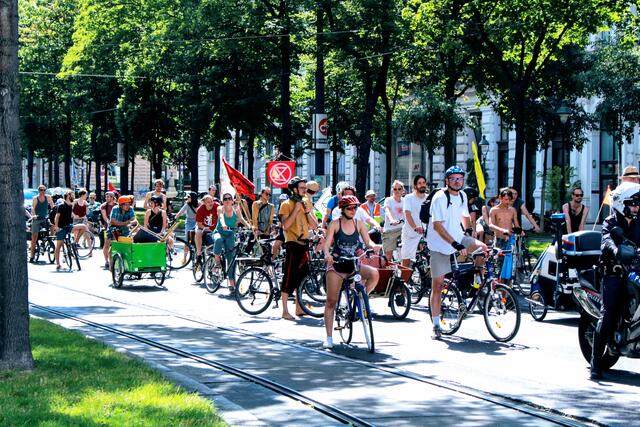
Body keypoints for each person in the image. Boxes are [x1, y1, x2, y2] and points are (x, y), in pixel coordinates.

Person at [427, 166, 486, 339]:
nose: (457, 181)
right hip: (439, 244)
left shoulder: (462, 195)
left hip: (458, 238)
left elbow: (464, 215)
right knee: (437, 285)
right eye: (453, 178)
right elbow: (437, 226)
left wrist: (469, 231)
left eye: (459, 178)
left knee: (483, 248)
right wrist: (455, 244)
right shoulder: (439, 198)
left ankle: (477, 284)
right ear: (447, 180)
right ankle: (436, 324)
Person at [591, 183, 640, 379]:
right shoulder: (610, 223)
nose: (637, 207)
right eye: (634, 203)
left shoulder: (638, 222)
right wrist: (615, 250)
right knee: (609, 313)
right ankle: (595, 363)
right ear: (621, 203)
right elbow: (606, 241)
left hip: (635, 272)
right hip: (615, 274)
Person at [322, 195, 383, 349]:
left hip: (353, 264)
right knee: (331, 302)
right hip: (337, 265)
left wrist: (374, 246)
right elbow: (327, 243)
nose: (353, 210)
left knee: (374, 274)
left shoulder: (359, 223)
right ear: (342, 209)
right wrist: (327, 255)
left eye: (355, 207)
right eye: (349, 208)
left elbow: (367, 241)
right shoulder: (335, 224)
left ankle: (361, 299)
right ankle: (329, 337)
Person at [279, 177, 316, 320]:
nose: (305, 190)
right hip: (293, 243)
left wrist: (306, 211)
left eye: (305, 188)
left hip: (304, 242)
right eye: (302, 188)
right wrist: (296, 209)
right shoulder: (286, 204)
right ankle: (284, 310)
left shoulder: (307, 202)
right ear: (294, 189)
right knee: (289, 276)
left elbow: (313, 225)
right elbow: (286, 226)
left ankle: (298, 307)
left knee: (302, 276)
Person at [213, 193, 251, 292]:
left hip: (230, 234)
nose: (227, 200)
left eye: (229, 198)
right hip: (220, 232)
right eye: (225, 199)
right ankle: (217, 261)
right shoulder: (220, 208)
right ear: (222, 201)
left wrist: (249, 226)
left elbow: (241, 219)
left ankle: (231, 283)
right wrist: (224, 225)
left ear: (232, 200)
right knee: (218, 240)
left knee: (231, 259)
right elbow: (221, 217)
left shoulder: (236, 209)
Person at [489, 189, 522, 284]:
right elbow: (491, 225)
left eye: (509, 200)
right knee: (499, 264)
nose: (507, 202)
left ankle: (508, 289)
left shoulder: (512, 210)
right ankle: (498, 286)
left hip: (510, 240)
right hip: (500, 240)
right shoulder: (494, 210)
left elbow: (516, 224)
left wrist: (520, 230)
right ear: (500, 198)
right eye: (505, 199)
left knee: (510, 264)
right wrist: (502, 230)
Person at [401, 175, 429, 268]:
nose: (422, 185)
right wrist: (415, 227)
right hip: (410, 233)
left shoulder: (429, 198)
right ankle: (404, 280)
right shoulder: (408, 198)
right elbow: (407, 214)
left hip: (425, 233)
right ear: (415, 185)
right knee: (406, 259)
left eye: (424, 183)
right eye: (419, 183)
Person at [29, 185, 54, 263]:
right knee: (34, 237)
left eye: (44, 190)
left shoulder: (48, 197)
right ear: (38, 191)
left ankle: (50, 241)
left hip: (45, 218)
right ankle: (32, 256)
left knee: (53, 226)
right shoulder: (35, 198)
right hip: (37, 218)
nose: (43, 191)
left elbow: (53, 206)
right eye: (41, 190)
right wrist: (33, 216)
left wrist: (54, 213)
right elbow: (33, 208)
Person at [52, 190, 75, 271]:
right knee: (58, 245)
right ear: (68, 196)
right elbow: (57, 217)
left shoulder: (71, 205)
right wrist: (56, 226)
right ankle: (58, 264)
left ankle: (74, 245)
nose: (74, 196)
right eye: (72, 195)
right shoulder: (61, 206)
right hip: (61, 227)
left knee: (83, 227)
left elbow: (71, 215)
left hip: (69, 226)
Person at [175, 191, 199, 264]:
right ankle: (185, 258)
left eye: (189, 197)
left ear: (193, 198)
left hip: (197, 223)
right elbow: (180, 212)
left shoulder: (199, 204)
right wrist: (176, 217)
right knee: (187, 240)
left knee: (198, 240)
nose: (187, 198)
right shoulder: (187, 205)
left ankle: (198, 258)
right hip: (189, 223)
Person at [382, 180, 405, 259]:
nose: (397, 191)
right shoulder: (388, 200)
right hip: (390, 230)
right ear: (392, 190)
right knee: (388, 256)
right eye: (395, 189)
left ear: (402, 190)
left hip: (403, 229)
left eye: (399, 189)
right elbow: (387, 210)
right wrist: (392, 220)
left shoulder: (405, 201)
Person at [194, 195, 217, 265]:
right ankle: (199, 254)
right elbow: (199, 224)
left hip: (214, 228)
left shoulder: (216, 206)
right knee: (198, 233)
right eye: (208, 202)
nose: (211, 203)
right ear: (204, 203)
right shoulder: (200, 209)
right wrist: (207, 228)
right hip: (202, 227)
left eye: (211, 201)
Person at [100, 192, 117, 269]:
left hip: (117, 227)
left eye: (108, 197)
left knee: (116, 244)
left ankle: (113, 260)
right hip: (108, 228)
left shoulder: (117, 205)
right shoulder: (104, 206)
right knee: (106, 244)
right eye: (106, 197)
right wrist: (109, 222)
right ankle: (106, 261)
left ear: (112, 197)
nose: (106, 198)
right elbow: (104, 217)